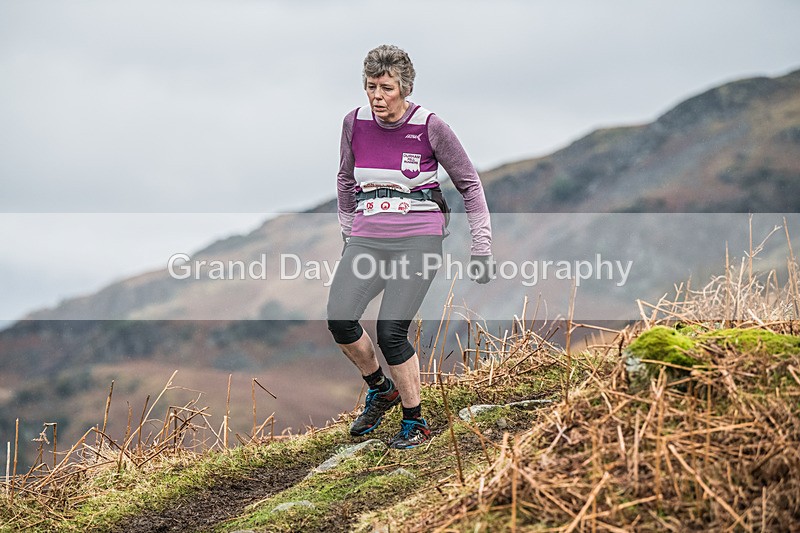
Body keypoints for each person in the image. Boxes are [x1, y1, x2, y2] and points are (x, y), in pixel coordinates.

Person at [327, 44, 493, 449]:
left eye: (385, 88)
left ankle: (415, 421)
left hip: (418, 237)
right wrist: (349, 233)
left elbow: (469, 185)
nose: (377, 96)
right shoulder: (354, 123)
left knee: (390, 331)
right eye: (370, 87)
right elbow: (345, 179)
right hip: (368, 236)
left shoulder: (431, 126)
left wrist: (482, 245)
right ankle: (381, 389)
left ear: (403, 88)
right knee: (340, 319)